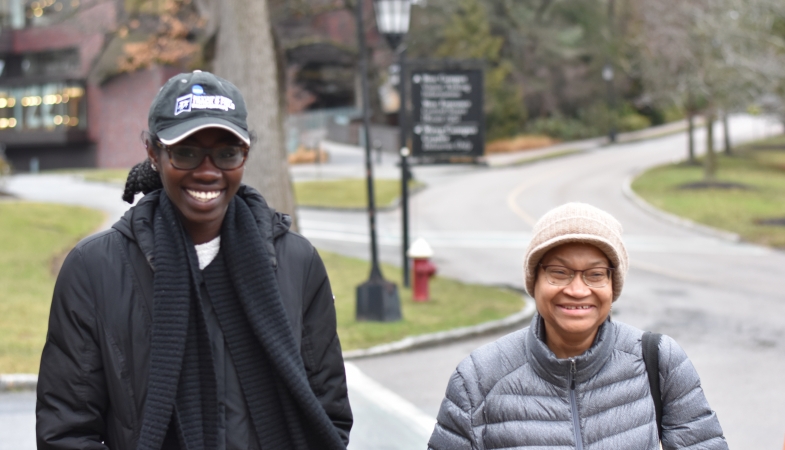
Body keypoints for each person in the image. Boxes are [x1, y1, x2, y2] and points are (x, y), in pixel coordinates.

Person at [36, 70, 352, 449]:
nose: (207, 171)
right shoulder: (93, 269)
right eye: (185, 152)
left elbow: (327, 415)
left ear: (245, 154)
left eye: (226, 152)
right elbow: (66, 431)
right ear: (154, 153)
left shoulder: (298, 262)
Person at [428, 202, 727, 450]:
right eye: (559, 272)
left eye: (595, 274)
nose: (577, 289)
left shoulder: (659, 361)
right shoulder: (477, 380)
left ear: (612, 285)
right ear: (535, 281)